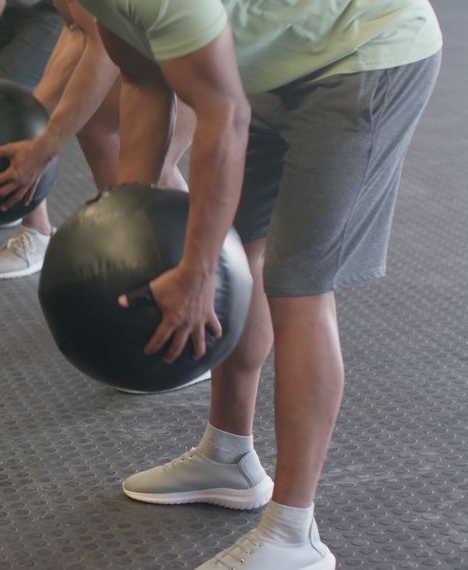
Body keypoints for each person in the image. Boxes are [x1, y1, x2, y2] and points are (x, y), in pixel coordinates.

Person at [73, 0, 442, 567]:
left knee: (296, 284)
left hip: (363, 55)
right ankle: (228, 457)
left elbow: (222, 114)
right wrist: (132, 228)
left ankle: (296, 534)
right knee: (233, 256)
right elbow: (144, 81)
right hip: (270, 64)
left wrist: (196, 273)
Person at [0, 0, 194, 281]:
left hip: (205, 39)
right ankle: (132, 253)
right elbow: (76, 30)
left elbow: (102, 51)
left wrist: (49, 142)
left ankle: (207, 264)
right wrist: (32, 114)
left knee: (156, 160)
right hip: (144, 37)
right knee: (96, 126)